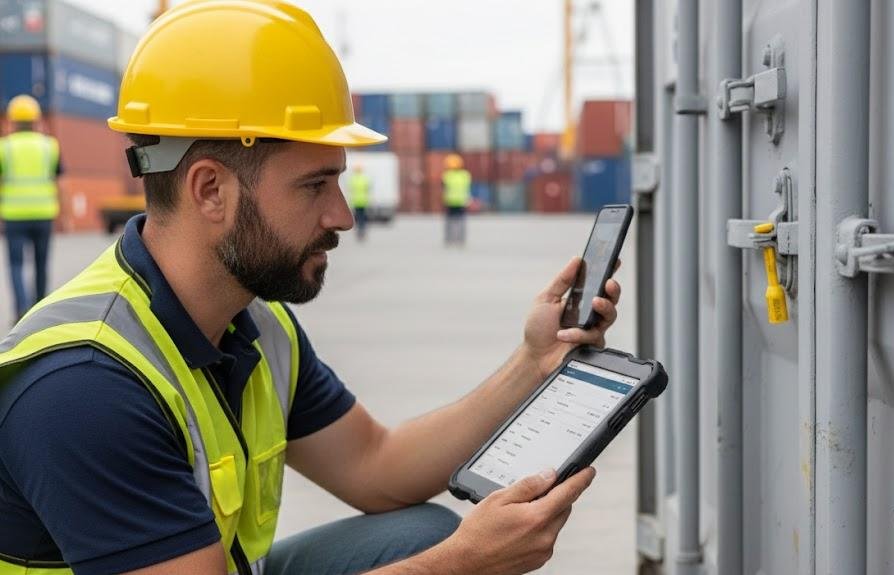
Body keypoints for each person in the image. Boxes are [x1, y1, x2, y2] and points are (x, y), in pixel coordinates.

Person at [0, 2, 623, 574]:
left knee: (422, 533)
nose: (343, 216)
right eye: (315, 185)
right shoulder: (83, 388)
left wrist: (532, 362)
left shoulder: (252, 325)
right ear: (209, 190)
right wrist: (460, 564)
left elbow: (375, 467)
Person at [0, 94, 61, 322]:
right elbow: (59, 183)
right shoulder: (50, 146)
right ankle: (39, 311)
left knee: (16, 264)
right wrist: (63, 214)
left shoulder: (4, 147)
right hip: (44, 213)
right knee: (41, 263)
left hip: (14, 215)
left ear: (11, 121)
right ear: (37, 120)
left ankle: (21, 310)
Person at [442, 153, 471, 246]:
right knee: (461, 222)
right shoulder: (465, 175)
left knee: (449, 222)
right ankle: (461, 240)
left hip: (450, 202)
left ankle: (449, 240)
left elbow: (444, 188)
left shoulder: (447, 175)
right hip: (462, 202)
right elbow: (468, 188)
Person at [347, 164, 371, 241]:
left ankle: (358, 231)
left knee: (357, 216)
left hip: (356, 201)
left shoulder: (353, 179)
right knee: (363, 217)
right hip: (363, 201)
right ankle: (362, 229)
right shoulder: (364, 178)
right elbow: (368, 188)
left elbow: (350, 188)